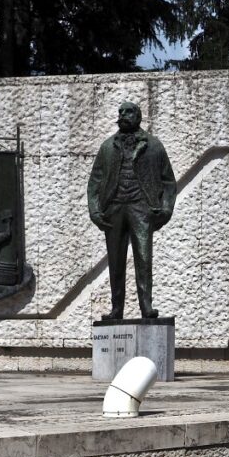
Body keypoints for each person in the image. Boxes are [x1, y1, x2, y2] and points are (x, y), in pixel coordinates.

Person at [87, 102, 177, 319]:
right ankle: (116, 308)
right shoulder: (107, 147)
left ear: (138, 116)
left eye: (128, 112)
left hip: (141, 207)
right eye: (120, 112)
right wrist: (95, 210)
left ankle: (146, 305)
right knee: (115, 261)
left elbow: (168, 181)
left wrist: (165, 208)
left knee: (144, 259)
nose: (123, 116)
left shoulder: (154, 146)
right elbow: (95, 182)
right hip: (114, 208)